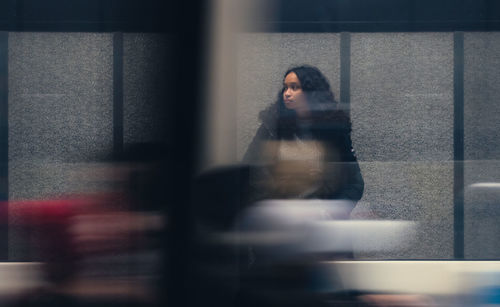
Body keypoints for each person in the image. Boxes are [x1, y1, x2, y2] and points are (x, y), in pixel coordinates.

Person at [243, 65, 364, 206]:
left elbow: (355, 183)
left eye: (294, 87)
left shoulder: (334, 129)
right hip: (279, 214)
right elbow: (248, 172)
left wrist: (330, 211)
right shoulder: (271, 126)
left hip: (320, 214)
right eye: (285, 87)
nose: (287, 93)